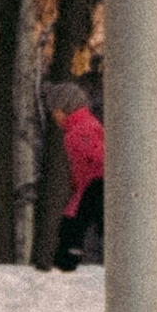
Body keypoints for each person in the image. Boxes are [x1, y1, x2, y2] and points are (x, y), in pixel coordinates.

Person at [49, 81, 105, 269]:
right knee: (76, 225)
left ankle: (67, 263)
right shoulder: (83, 125)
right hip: (89, 187)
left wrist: (94, 180)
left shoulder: (80, 130)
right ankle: (69, 259)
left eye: (55, 109)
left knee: (72, 227)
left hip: (94, 187)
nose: (53, 115)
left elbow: (98, 156)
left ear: (66, 107)